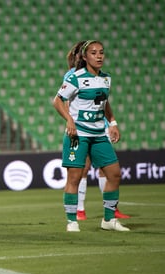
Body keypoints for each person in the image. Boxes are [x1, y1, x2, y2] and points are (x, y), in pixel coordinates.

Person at [53, 40, 130, 232]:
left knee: (114, 174)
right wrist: (69, 120)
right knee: (74, 177)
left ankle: (109, 220)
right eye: (94, 53)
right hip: (78, 134)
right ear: (85, 57)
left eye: (101, 53)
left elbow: (104, 103)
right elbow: (57, 101)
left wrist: (112, 123)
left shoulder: (106, 79)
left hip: (99, 135)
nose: (99, 56)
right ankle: (72, 220)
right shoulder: (75, 77)